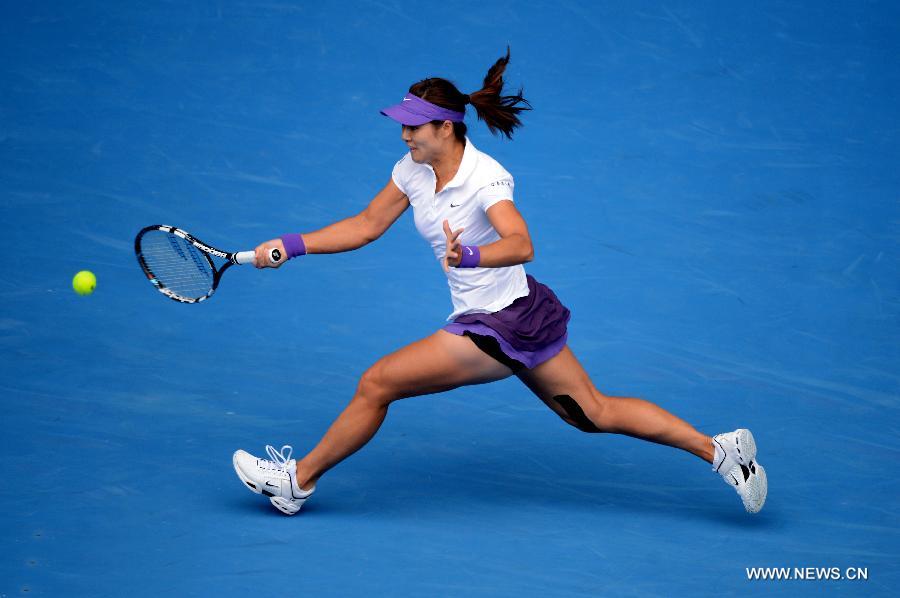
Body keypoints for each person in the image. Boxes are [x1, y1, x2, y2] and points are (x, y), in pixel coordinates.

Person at [232, 47, 767, 516]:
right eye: (402, 124)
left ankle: (296, 481)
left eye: (414, 126)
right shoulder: (412, 167)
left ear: (446, 126)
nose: (404, 134)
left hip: (496, 325)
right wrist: (293, 244)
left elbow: (521, 244)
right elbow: (367, 224)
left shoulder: (486, 177)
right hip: (521, 314)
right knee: (592, 413)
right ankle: (720, 451)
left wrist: (469, 256)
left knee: (377, 383)